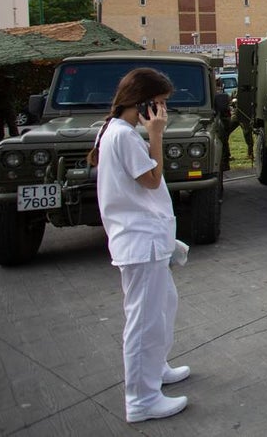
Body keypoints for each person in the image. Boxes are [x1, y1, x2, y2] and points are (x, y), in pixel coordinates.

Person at [90, 67, 190, 423]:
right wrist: (156, 135)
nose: (163, 112)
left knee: (163, 306)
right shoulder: (125, 136)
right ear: (143, 103)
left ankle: (155, 368)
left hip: (147, 238)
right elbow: (151, 180)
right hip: (138, 240)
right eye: (160, 104)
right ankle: (141, 399)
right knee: (144, 320)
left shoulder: (118, 132)